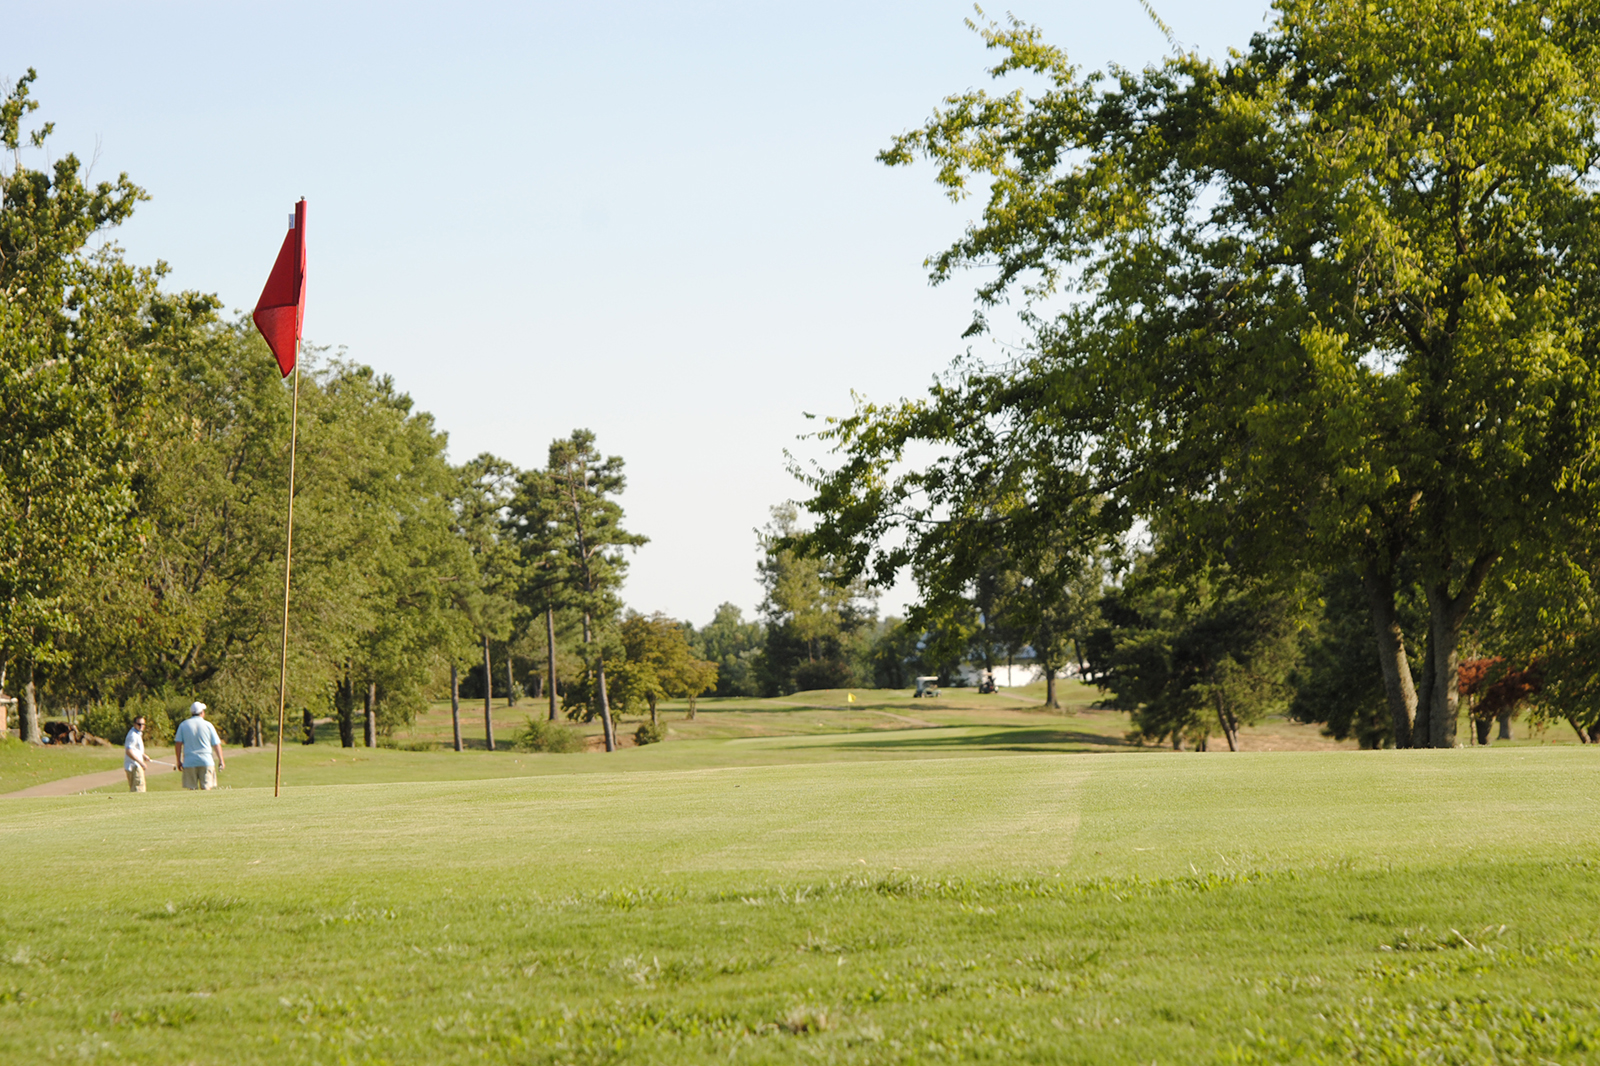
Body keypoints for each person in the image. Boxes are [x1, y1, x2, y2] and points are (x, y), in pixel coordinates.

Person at [172, 702, 226, 791]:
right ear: (202, 713)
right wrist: (221, 760)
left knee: (192, 789)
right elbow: (216, 744)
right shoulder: (208, 725)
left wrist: (178, 760)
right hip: (206, 760)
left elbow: (178, 744)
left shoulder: (183, 725)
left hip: (189, 761)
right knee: (206, 788)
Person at [123, 715, 153, 792]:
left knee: (138, 788)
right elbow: (128, 751)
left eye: (143, 725)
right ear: (134, 724)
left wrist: (143, 755)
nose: (141, 726)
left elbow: (135, 749)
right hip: (134, 766)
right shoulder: (132, 735)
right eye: (139, 724)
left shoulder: (138, 734)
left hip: (136, 765)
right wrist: (141, 762)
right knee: (138, 789)